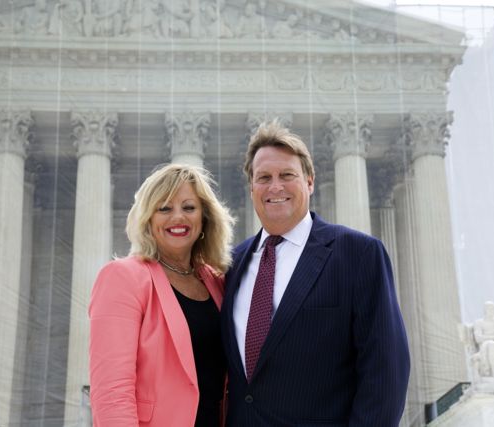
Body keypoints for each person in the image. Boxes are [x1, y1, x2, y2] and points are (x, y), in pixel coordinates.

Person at [221, 121, 410, 426]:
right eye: (264, 178)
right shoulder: (231, 265)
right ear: (252, 188)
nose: (275, 187)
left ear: (309, 182)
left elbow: (386, 372)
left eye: (287, 175)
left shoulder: (358, 254)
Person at [89, 164, 235, 426]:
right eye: (164, 208)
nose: (177, 217)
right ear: (148, 219)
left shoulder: (216, 282)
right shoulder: (122, 277)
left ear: (204, 218)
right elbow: (112, 391)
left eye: (189, 207)